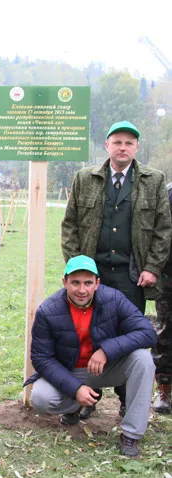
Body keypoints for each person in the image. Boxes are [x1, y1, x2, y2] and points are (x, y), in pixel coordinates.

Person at [61, 120, 172, 418]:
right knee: (85, 334)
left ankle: (127, 399)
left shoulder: (154, 180)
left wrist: (153, 267)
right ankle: (87, 399)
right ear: (107, 145)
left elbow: (163, 228)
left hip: (131, 276)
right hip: (92, 276)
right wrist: (77, 270)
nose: (123, 148)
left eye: (129, 143)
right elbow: (69, 224)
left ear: (136, 148)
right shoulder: (85, 178)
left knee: (127, 335)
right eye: (117, 142)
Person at [26, 255, 157, 458]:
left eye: (88, 283)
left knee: (143, 359)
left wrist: (107, 350)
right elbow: (42, 358)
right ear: (64, 282)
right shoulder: (48, 310)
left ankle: (131, 433)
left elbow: (147, 333)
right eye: (75, 282)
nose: (82, 289)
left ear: (97, 283)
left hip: (105, 367)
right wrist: (75, 388)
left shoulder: (114, 299)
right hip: (70, 371)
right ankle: (77, 403)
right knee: (40, 398)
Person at [152, 183, 172, 413]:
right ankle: (164, 387)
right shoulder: (168, 193)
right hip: (169, 276)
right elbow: (159, 233)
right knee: (166, 332)